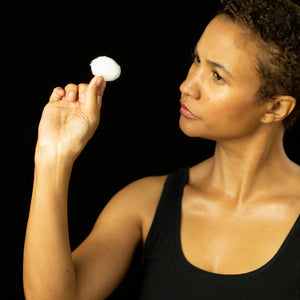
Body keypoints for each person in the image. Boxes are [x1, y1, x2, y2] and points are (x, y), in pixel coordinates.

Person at [23, 0, 300, 299]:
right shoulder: (145, 203)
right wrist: (52, 158)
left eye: (217, 76)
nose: (186, 85)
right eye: (196, 60)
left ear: (275, 107)